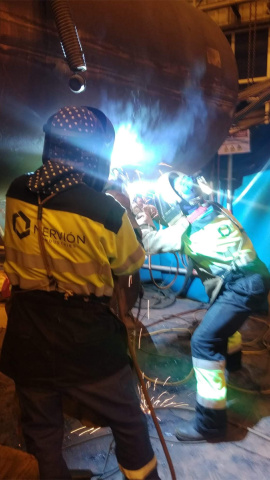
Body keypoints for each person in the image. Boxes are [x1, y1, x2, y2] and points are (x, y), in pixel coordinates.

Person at [0, 106, 161, 480]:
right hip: (87, 344)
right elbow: (130, 266)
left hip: (27, 339)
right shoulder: (106, 211)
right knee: (128, 422)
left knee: (41, 432)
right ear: (96, 154)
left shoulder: (17, 191)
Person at [132, 169, 270, 442]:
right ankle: (235, 371)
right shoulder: (213, 209)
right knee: (221, 325)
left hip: (239, 284)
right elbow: (183, 223)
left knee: (204, 341)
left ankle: (210, 425)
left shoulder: (184, 229)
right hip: (254, 276)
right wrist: (157, 215)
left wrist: (142, 218)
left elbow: (147, 242)